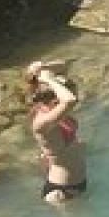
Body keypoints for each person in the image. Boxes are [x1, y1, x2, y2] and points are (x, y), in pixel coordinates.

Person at [26, 61, 87, 205]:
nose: (77, 97)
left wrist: (43, 69)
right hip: (62, 191)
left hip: (76, 183)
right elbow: (70, 100)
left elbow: (64, 66)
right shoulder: (42, 123)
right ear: (55, 101)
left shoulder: (52, 110)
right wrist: (48, 79)